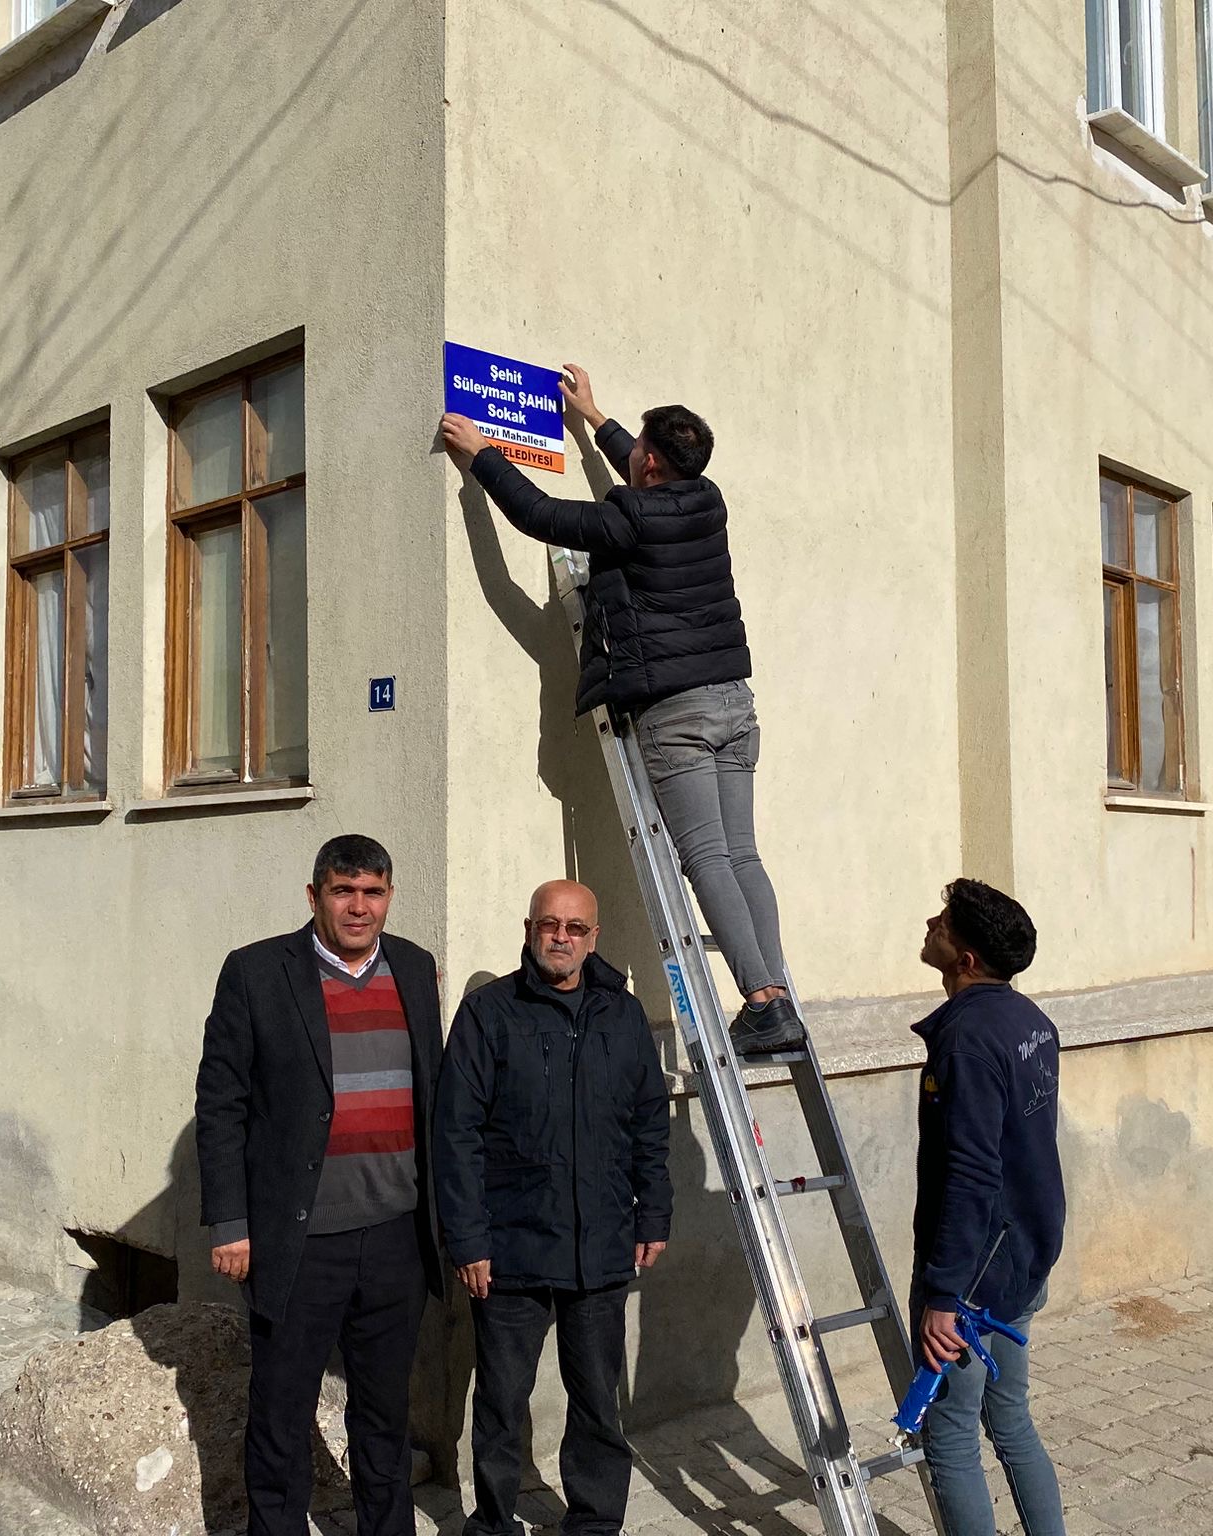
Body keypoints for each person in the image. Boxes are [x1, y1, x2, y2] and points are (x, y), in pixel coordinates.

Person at [441, 367, 800, 1057]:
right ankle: (776, 994)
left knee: (705, 857)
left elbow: (542, 516)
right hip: (734, 702)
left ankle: (759, 1000)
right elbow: (644, 473)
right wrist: (592, 417)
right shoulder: (708, 499)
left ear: (651, 464)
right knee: (742, 852)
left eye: (637, 446)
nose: (631, 450)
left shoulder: (629, 516)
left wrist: (482, 455)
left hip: (678, 716)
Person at [193, 834, 445, 1536]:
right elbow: (220, 1104)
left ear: (389, 897)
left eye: (372, 892)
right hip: (298, 1243)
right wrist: (230, 1223)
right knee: (280, 1415)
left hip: (397, 1237)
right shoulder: (256, 973)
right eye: (343, 891)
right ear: (315, 897)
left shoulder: (417, 970)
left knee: (383, 1416)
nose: (358, 907)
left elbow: (435, 1100)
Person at [433, 879, 672, 1536]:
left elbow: (649, 1122)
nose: (561, 937)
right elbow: (455, 1134)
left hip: (600, 1248)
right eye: (549, 925)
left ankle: (595, 1522)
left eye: (574, 927)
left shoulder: (621, 1016)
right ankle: (494, 1523)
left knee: (597, 1401)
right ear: (529, 929)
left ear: (594, 938)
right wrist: (468, 1239)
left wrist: (653, 1212)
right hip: (509, 1248)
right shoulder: (488, 1013)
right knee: (502, 1403)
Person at [911, 878, 1067, 1536]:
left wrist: (944, 1294)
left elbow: (972, 1173)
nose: (929, 922)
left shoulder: (968, 1040)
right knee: (1009, 1419)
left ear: (965, 959)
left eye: (942, 922)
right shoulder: (1030, 1021)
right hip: (1019, 1255)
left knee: (948, 1437)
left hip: (973, 1276)